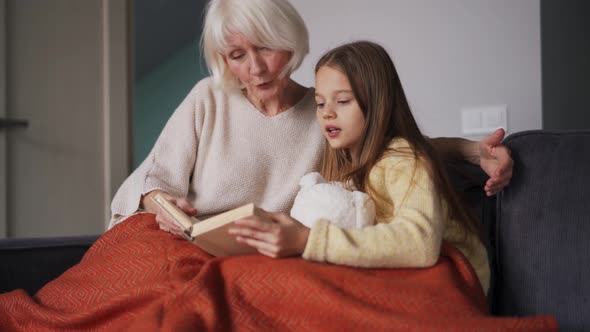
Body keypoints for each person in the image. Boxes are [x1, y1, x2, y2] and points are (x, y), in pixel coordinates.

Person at [109, 0, 512, 249]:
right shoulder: (207, 98)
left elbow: (395, 144)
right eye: (236, 54)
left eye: (266, 47)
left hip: (270, 251)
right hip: (189, 244)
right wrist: (166, 208)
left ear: (290, 41)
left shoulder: (323, 111)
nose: (255, 68)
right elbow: (154, 179)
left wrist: (475, 151)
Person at [228, 41, 491, 292]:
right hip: (401, 274)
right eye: (320, 103)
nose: (327, 113)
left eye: (342, 101)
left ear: (378, 105)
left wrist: (308, 239)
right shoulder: (346, 163)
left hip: (452, 282)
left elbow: (419, 242)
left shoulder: (404, 159)